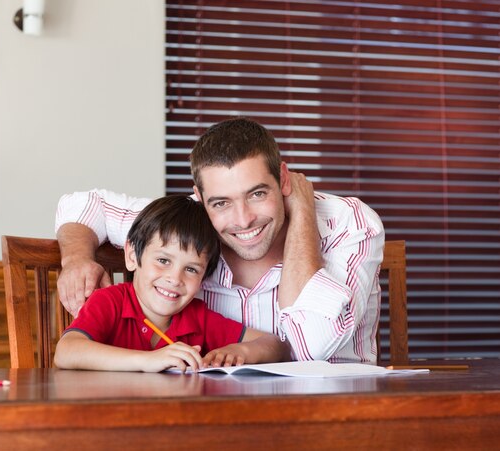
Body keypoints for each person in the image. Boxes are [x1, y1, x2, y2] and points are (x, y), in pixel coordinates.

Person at [55, 117, 385, 364]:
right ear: (200, 198)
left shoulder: (347, 223)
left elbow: (312, 346)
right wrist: (76, 259)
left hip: (341, 410)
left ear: (283, 179)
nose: (242, 220)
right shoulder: (186, 230)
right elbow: (85, 204)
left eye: (257, 194)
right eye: (221, 202)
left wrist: (302, 214)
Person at [53, 195, 290, 372]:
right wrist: (148, 361)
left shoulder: (197, 317)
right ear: (133, 256)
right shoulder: (110, 301)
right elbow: (66, 352)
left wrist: (241, 351)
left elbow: (275, 344)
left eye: (191, 269)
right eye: (163, 260)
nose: (175, 279)